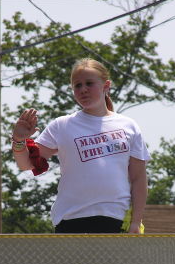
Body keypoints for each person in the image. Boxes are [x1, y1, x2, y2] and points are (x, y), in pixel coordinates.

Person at [12, 58, 150, 233]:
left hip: (115, 218)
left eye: (89, 83)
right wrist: (19, 140)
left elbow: (139, 179)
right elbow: (27, 165)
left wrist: (136, 222)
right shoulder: (61, 125)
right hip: (71, 218)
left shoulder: (128, 125)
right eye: (77, 85)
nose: (83, 89)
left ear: (106, 86)